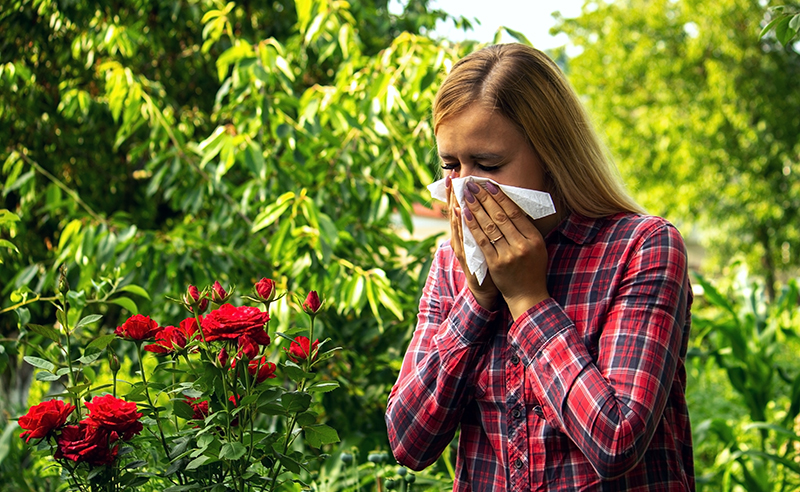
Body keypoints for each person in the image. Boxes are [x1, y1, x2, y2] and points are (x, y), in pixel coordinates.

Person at [385, 43, 694, 491]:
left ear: (553, 157)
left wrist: (528, 299)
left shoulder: (641, 248)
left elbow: (616, 442)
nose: (464, 188)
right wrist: (478, 300)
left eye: (488, 164)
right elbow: (408, 442)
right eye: (451, 165)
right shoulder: (452, 265)